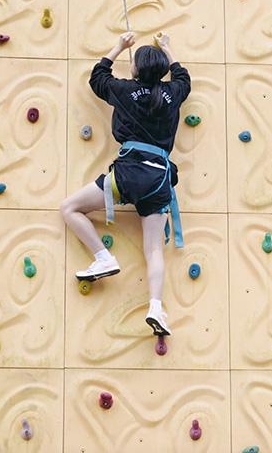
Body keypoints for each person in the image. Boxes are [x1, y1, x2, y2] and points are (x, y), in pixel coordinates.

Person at [60, 31, 190, 337]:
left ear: (136, 69)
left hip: (129, 173)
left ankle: (103, 257)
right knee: (153, 249)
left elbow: (97, 77)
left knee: (70, 208)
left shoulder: (124, 90)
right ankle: (156, 306)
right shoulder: (173, 93)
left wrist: (119, 46)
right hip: (159, 178)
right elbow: (184, 78)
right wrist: (169, 47)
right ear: (160, 71)